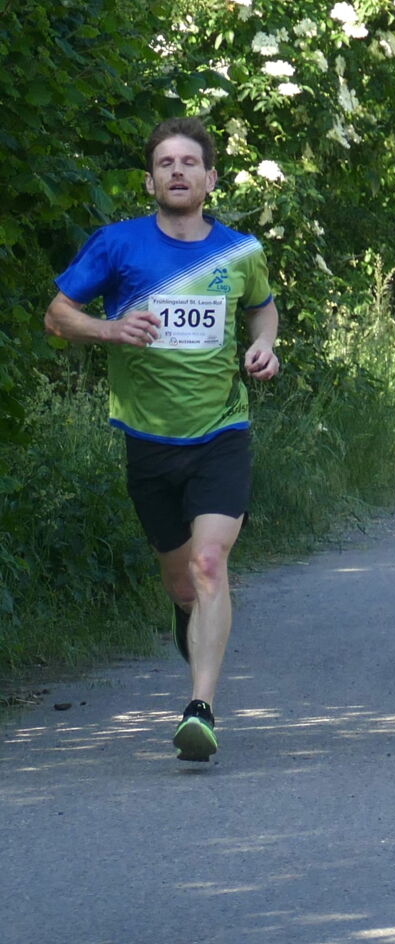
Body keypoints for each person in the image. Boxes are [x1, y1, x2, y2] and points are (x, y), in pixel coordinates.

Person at [45, 116, 279, 762]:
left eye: (189, 162)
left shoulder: (239, 250)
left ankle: (200, 708)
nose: (177, 171)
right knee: (182, 587)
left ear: (210, 178)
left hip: (221, 433)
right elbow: (58, 314)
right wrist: (109, 330)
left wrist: (263, 343)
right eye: (165, 163)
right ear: (149, 180)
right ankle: (199, 650)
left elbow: (262, 305)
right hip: (147, 441)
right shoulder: (118, 246)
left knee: (209, 565)